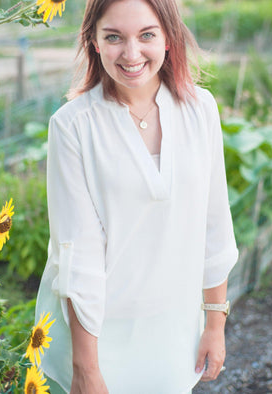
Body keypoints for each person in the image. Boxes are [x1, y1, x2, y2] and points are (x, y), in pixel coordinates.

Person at [35, 0, 239, 393]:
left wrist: (214, 324)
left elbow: (214, 224)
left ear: (168, 37)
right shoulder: (73, 126)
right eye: (114, 37)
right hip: (98, 341)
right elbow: (79, 255)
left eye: (147, 34)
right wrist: (86, 369)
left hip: (174, 337)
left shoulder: (201, 110)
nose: (131, 54)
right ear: (93, 41)